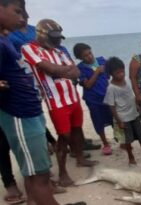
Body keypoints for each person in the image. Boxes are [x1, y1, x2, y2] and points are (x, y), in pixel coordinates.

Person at [21, 19, 97, 187]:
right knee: (64, 136)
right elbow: (51, 69)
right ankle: (63, 172)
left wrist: (60, 70)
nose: (57, 40)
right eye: (54, 37)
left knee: (77, 129)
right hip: (56, 101)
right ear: (42, 34)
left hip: (73, 96)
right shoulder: (29, 48)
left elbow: (76, 72)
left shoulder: (60, 51)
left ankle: (80, 158)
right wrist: (61, 70)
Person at [0, 1, 59, 204]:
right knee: (39, 177)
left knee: (34, 172)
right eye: (17, 12)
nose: (23, 18)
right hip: (19, 114)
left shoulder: (5, 38)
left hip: (29, 112)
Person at [103, 57, 141, 165]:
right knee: (127, 140)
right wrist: (118, 121)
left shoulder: (127, 81)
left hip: (134, 114)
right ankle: (131, 157)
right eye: (118, 72)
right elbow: (111, 106)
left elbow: (131, 94)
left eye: (122, 71)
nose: (121, 74)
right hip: (123, 118)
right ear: (111, 73)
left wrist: (137, 104)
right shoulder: (111, 88)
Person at [73, 43, 113, 155]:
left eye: (90, 53)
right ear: (80, 58)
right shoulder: (80, 68)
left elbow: (109, 76)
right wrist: (97, 72)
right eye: (85, 56)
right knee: (98, 120)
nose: (89, 57)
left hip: (107, 96)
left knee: (114, 117)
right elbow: (88, 85)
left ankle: (121, 140)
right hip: (93, 99)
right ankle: (105, 143)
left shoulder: (101, 60)